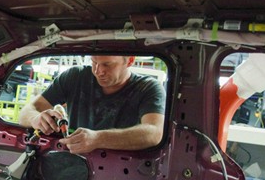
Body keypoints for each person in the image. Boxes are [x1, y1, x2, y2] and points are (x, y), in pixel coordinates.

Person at [18, 55, 165, 154]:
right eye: (94, 62)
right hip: (73, 164)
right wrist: (35, 119)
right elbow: (28, 110)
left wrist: (98, 139)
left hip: (121, 169)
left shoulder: (148, 88)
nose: (98, 71)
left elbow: (154, 133)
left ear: (130, 61)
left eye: (107, 65)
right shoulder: (75, 77)